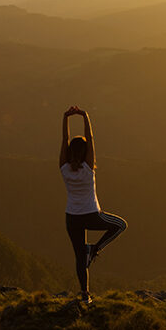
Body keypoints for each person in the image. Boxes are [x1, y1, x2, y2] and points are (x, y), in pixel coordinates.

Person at [60, 105, 127, 304]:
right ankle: (96, 249)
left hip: (71, 218)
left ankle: (85, 294)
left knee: (80, 258)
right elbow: (91, 139)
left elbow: (64, 140)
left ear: (70, 151)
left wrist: (66, 118)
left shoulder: (63, 167)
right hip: (91, 214)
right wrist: (84, 116)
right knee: (121, 225)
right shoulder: (89, 167)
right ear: (86, 152)